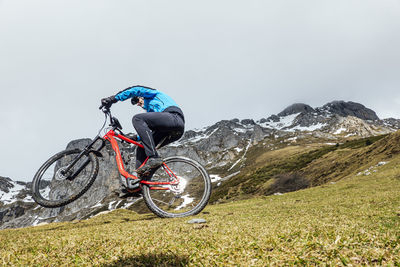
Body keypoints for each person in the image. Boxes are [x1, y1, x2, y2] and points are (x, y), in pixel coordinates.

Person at [100, 85, 185, 185]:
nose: (138, 103)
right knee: (141, 148)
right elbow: (149, 131)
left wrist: (113, 99)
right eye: (136, 103)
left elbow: (135, 89)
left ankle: (154, 157)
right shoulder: (152, 112)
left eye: (137, 99)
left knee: (137, 119)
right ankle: (141, 184)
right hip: (168, 130)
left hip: (174, 117)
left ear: (142, 96)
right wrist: (135, 138)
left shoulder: (154, 94)